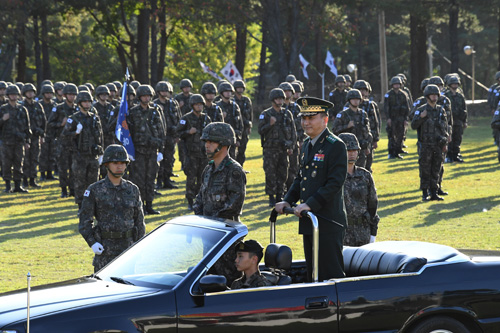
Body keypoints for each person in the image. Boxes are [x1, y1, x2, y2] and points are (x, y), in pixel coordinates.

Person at [276, 97, 347, 281]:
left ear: (325, 119)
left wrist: (310, 204)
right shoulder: (307, 144)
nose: (305, 123)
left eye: (311, 118)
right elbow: (301, 179)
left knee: (330, 275)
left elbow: (334, 183)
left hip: (327, 221)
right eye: (303, 118)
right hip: (310, 221)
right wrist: (288, 200)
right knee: (313, 272)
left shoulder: (335, 145)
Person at [79, 144, 145, 272]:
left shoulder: (132, 189)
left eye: (122, 163)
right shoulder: (95, 190)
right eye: (115, 163)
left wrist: (139, 246)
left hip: (128, 249)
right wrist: (92, 242)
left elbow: (139, 221)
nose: (119, 166)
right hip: (105, 251)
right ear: (106, 165)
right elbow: (84, 221)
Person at [194, 122, 246, 221]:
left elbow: (234, 207)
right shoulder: (208, 169)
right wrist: (202, 219)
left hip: (225, 230)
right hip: (206, 227)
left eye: (211, 142)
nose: (206, 146)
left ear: (223, 144)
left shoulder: (234, 171)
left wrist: (212, 220)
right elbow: (199, 199)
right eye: (206, 142)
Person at [61, 91, 104, 209]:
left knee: (93, 182)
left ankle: (93, 205)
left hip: (93, 155)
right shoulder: (73, 119)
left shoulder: (94, 118)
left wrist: (101, 153)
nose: (87, 104)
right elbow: (64, 135)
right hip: (80, 156)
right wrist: (75, 132)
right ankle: (81, 205)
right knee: (80, 182)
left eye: (89, 101)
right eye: (85, 102)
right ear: (80, 103)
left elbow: (100, 136)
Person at [127, 85, 164, 215]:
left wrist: (161, 150)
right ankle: (140, 206)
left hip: (153, 151)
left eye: (148, 95)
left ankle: (149, 205)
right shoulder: (133, 112)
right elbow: (128, 132)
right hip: (139, 151)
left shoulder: (155, 111)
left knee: (151, 179)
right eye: (144, 96)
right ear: (139, 97)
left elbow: (161, 131)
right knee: (139, 180)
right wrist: (129, 152)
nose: (146, 98)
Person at [338, 133, 379, 246]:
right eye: (348, 150)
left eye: (354, 150)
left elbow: (373, 206)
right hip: (340, 234)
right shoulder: (333, 177)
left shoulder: (365, 175)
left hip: (362, 233)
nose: (352, 154)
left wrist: (372, 234)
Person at [258, 88, 297, 207]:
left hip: (283, 149)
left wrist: (291, 146)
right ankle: (271, 196)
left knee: (283, 172)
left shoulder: (287, 113)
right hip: (270, 149)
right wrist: (270, 124)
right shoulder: (265, 114)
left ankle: (280, 195)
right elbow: (260, 130)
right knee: (270, 173)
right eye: (277, 99)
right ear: (273, 100)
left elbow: (293, 132)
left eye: (281, 98)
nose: (280, 101)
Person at [411, 84, 449, 201]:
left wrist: (445, 143)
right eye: (432, 95)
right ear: (427, 96)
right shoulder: (421, 110)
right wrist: (421, 117)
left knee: (436, 169)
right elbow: (413, 125)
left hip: (438, 145)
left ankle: (434, 192)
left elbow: (445, 128)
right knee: (425, 169)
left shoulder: (441, 110)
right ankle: (424, 192)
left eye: (436, 95)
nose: (434, 97)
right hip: (425, 145)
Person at [177, 94, 212, 210]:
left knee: (203, 178)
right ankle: (190, 200)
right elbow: (178, 134)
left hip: (204, 154)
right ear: (192, 105)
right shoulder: (185, 118)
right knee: (191, 178)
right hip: (191, 154)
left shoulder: (206, 118)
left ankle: (201, 199)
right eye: (197, 105)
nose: (199, 107)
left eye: (201, 104)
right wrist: (188, 132)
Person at [0, 84, 31, 193]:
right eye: (11, 94)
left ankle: (18, 185)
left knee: (19, 163)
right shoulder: (3, 109)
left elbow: (27, 127)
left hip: (19, 142)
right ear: (8, 96)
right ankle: (8, 185)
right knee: (6, 164)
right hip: (6, 142)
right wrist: (3, 119)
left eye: (15, 94)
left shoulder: (23, 109)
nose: (13, 96)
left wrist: (28, 141)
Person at [49, 83, 79, 197]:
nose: (72, 97)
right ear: (65, 95)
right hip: (62, 142)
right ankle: (63, 190)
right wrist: (60, 124)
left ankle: (72, 189)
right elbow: (50, 124)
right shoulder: (58, 108)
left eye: (73, 95)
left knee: (73, 168)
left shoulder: (77, 108)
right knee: (62, 168)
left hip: (74, 142)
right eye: (69, 94)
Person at [332, 88, 372, 168]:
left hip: (361, 147)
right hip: (347, 148)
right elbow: (335, 130)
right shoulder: (343, 114)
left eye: (357, 99)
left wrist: (368, 146)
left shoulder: (363, 114)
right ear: (349, 100)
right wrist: (347, 126)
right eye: (353, 99)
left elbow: (367, 131)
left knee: (361, 170)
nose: (355, 101)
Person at [154, 81, 181, 189]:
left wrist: (178, 134)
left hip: (171, 136)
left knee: (169, 159)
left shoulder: (173, 103)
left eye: (166, 91)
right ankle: (159, 181)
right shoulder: (154, 104)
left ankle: (167, 180)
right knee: (159, 159)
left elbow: (179, 118)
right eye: (162, 91)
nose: (165, 93)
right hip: (159, 136)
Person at [21, 83, 46, 188]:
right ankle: (25, 180)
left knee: (35, 158)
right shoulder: (22, 106)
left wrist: (42, 134)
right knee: (25, 159)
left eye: (32, 92)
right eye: (28, 92)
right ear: (24, 93)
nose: (30, 93)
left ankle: (33, 179)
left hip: (36, 136)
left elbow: (44, 121)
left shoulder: (38, 105)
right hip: (25, 137)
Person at [384, 76, 411, 159]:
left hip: (401, 118)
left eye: (398, 84)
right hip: (392, 118)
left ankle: (397, 152)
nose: (396, 86)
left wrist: (406, 119)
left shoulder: (404, 94)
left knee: (400, 135)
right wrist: (388, 118)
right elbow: (386, 107)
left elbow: (407, 107)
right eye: (395, 84)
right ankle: (391, 153)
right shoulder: (388, 95)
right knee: (391, 136)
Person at [216, 82, 243, 159]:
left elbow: (240, 124)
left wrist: (238, 138)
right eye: (226, 91)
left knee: (232, 159)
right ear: (221, 93)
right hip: (220, 139)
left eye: (230, 91)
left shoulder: (235, 106)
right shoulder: (217, 106)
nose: (228, 93)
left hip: (232, 138)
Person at [444, 75, 467, 162]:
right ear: (449, 84)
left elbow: (464, 109)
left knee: (458, 139)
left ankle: (456, 155)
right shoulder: (446, 96)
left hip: (458, 121)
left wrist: (465, 121)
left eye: (456, 83)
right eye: (453, 83)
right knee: (449, 139)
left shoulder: (460, 96)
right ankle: (449, 156)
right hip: (449, 121)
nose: (455, 85)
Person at [233, 80, 253, 167]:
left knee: (242, 149)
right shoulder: (232, 100)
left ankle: (240, 167)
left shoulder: (246, 100)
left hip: (244, 128)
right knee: (233, 150)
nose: (240, 89)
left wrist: (249, 127)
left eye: (241, 88)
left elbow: (250, 114)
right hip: (235, 128)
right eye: (238, 88)